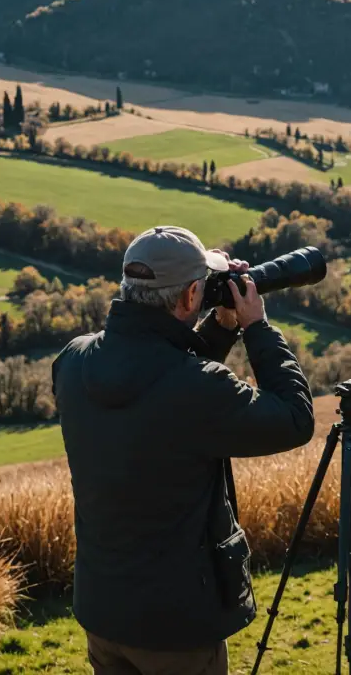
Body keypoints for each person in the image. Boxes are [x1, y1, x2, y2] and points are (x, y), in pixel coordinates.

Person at [54, 226, 314, 675]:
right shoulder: (193, 388)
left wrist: (220, 325)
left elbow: (159, 394)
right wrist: (256, 327)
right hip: (176, 625)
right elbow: (294, 418)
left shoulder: (73, 362)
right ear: (192, 295)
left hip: (103, 611)